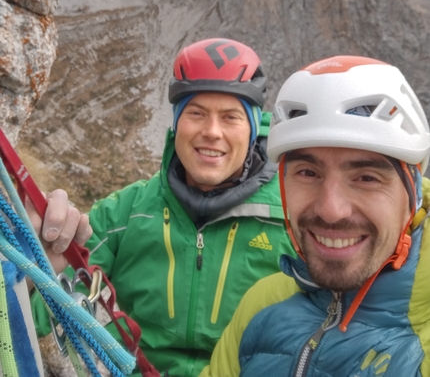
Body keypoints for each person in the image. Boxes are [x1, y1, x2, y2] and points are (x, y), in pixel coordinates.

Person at [30, 38, 295, 377]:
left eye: (231, 117)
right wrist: (31, 274)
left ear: (254, 128)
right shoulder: (124, 214)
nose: (212, 132)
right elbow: (42, 312)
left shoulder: (291, 218)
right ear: (176, 121)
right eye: (196, 113)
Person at [200, 55, 430, 377]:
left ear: (413, 190)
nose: (331, 210)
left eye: (366, 178)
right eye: (308, 173)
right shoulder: (262, 302)